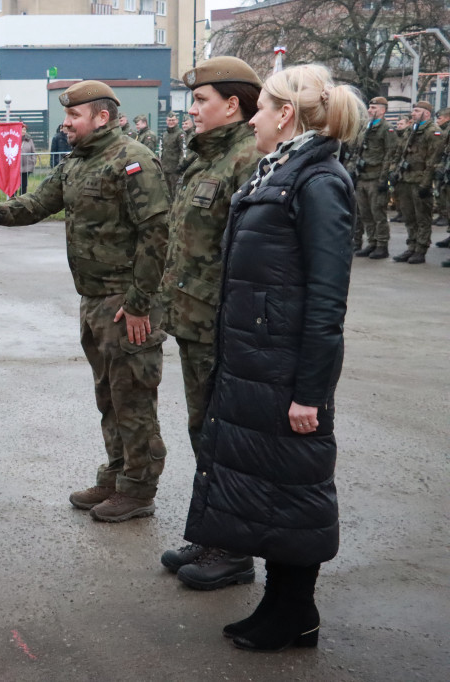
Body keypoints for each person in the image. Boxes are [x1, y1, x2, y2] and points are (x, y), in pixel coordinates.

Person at [183, 64, 362, 652]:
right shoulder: (278, 173)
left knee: (296, 491)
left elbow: (326, 298)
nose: (253, 116)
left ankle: (295, 613)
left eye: (260, 106)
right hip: (257, 363)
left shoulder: (319, 182)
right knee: (273, 491)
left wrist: (311, 389)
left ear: (285, 114)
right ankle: (282, 608)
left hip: (287, 371)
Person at [0, 81, 170, 523]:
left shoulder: (133, 160)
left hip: (127, 303)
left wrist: (140, 303)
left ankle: (139, 489)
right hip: (95, 301)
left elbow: (157, 234)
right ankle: (118, 474)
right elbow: (38, 203)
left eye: (73, 117)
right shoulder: (78, 163)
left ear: (101, 117)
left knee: (134, 399)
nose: (65, 125)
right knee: (109, 396)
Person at [156, 56, 264, 590]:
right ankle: (212, 533)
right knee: (204, 432)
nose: (192, 109)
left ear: (233, 105)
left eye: (201, 100)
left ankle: (235, 551)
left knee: (227, 439)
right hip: (194, 322)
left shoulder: (247, 159)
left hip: (224, 326)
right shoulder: (205, 159)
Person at [390, 101, 441, 264]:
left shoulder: (433, 132)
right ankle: (411, 246)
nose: (413, 114)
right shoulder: (411, 130)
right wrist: (394, 171)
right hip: (405, 179)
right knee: (409, 216)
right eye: (413, 111)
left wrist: (426, 184)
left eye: (417, 111)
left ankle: (420, 249)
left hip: (420, 181)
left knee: (422, 218)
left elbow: (433, 160)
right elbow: (399, 152)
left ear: (426, 114)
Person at [351, 97, 395, 260]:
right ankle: (372, 242)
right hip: (363, 176)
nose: (370, 110)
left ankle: (382, 245)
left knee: (378, 213)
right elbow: (358, 151)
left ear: (383, 111)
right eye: (370, 107)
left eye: (374, 108)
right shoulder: (366, 128)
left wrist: (384, 179)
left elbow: (390, 155)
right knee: (365, 213)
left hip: (376, 177)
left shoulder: (386, 129)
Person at [159, 112, 185, 193]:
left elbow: (183, 151)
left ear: (177, 121)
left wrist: (180, 166)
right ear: (166, 121)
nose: (171, 122)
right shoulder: (164, 135)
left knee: (175, 192)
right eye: (169, 120)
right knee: (167, 192)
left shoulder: (180, 134)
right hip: (165, 168)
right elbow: (161, 150)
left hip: (175, 169)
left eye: (173, 120)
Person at [19, 123, 36, 194]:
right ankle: (13, 199)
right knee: (15, 185)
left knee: (24, 184)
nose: (23, 131)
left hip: (26, 166)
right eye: (21, 129)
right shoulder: (14, 139)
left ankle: (22, 199)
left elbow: (33, 151)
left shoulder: (29, 140)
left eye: (24, 130)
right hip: (16, 167)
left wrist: (33, 161)